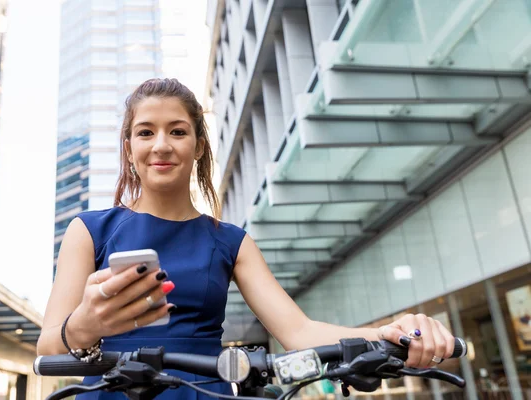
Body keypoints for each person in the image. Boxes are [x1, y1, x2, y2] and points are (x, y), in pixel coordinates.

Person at [37, 78, 457, 399]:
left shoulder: (231, 241)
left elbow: (298, 331)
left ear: (199, 145)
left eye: (177, 131)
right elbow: (48, 346)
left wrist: (388, 334)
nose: (161, 145)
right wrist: (85, 326)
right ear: (128, 148)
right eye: (145, 132)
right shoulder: (89, 231)